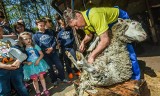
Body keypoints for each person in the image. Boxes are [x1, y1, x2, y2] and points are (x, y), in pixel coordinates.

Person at [63, 7, 141, 80]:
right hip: (107, 24)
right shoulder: (84, 22)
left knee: (126, 47)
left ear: (78, 15)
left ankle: (135, 77)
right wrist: (83, 42)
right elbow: (89, 35)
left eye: (76, 25)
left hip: (118, 18)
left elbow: (105, 40)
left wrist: (92, 56)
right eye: (74, 27)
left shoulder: (94, 15)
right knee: (110, 51)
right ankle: (120, 74)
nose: (76, 28)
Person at [33, 19, 68, 85]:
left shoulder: (49, 31)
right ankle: (54, 80)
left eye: (43, 25)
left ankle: (62, 78)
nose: (42, 27)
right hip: (44, 55)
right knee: (50, 68)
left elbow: (54, 41)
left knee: (59, 65)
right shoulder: (35, 36)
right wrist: (45, 51)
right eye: (41, 25)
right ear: (37, 26)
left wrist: (52, 48)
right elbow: (36, 46)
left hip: (53, 52)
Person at [0, 24, 29, 96]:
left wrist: (19, 60)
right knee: (4, 91)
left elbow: (22, 53)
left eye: (0, 29)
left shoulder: (9, 40)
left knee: (21, 87)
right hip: (1, 71)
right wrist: (4, 66)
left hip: (16, 68)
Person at [19, 32, 50, 96]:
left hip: (39, 64)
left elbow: (41, 54)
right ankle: (38, 92)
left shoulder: (35, 46)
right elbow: (21, 60)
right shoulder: (22, 49)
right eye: (26, 39)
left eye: (29, 38)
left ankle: (45, 89)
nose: (28, 40)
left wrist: (38, 60)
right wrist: (27, 62)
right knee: (35, 79)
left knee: (41, 77)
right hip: (30, 66)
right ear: (22, 40)